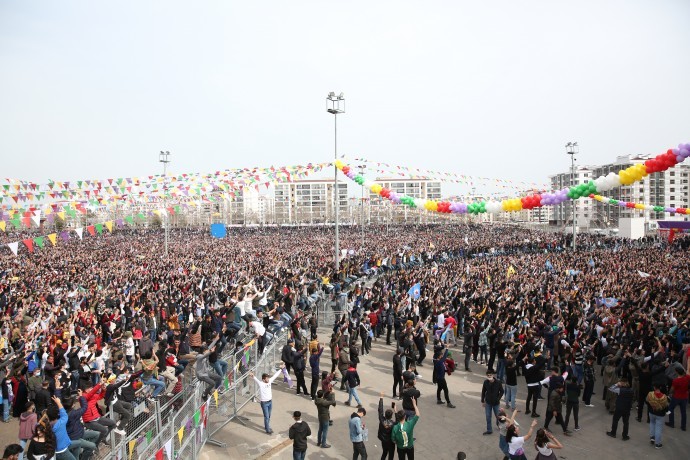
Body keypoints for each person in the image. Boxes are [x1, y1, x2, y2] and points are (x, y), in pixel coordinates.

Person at [249, 363, 285, 434]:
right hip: (264, 403)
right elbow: (255, 379)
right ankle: (268, 430)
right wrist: (252, 375)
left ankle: (267, 426)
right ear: (263, 379)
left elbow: (275, 376)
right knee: (266, 417)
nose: (268, 379)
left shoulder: (270, 381)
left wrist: (281, 369)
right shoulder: (261, 383)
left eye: (268, 377)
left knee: (269, 415)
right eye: (267, 378)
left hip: (270, 402)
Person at [646, 382, 670, 449]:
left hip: (651, 412)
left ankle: (652, 437)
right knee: (658, 428)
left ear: (654, 387)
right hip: (660, 414)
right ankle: (657, 443)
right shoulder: (664, 397)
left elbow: (647, 401)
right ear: (661, 388)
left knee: (652, 423)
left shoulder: (650, 394)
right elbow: (666, 406)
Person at [433, 344, 456, 408]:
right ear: (439, 356)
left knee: (439, 388)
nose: (442, 356)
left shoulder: (436, 361)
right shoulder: (440, 362)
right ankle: (448, 403)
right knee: (446, 390)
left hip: (438, 378)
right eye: (441, 355)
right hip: (441, 378)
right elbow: (445, 356)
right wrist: (447, 348)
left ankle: (439, 400)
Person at [481, 369, 503, 435]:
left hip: (496, 403)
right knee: (488, 416)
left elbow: (502, 391)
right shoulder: (485, 382)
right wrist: (482, 400)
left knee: (498, 416)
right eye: (488, 375)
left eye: (490, 375)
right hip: (488, 402)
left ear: (493, 375)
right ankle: (489, 430)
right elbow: (483, 391)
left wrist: (498, 398)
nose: (489, 376)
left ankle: (498, 424)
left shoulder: (498, 382)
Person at [666, 367, 689, 431]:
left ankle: (671, 423)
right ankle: (683, 426)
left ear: (677, 372)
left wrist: (669, 393)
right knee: (683, 412)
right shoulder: (686, 378)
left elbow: (672, 390)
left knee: (670, 408)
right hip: (684, 397)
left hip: (676, 396)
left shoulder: (676, 381)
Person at [378, 393, 396, 460]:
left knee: (384, 452)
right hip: (391, 442)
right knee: (391, 455)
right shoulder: (393, 423)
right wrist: (395, 410)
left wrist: (381, 398)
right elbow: (398, 420)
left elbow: (380, 410)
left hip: (383, 440)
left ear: (385, 415)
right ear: (391, 416)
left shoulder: (382, 420)